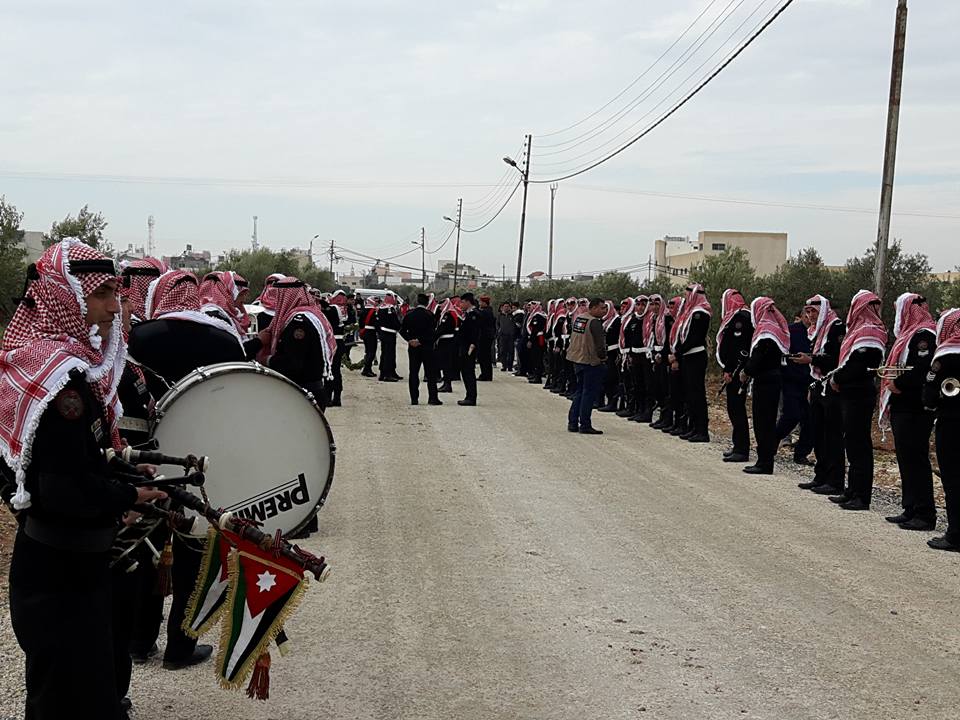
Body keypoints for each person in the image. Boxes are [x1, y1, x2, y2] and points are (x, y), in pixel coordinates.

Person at [1, 239, 166, 720]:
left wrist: (119, 471)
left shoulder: (64, 369)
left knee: (84, 691)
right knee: (67, 699)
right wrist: (129, 494)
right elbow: (63, 489)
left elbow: (72, 463)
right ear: (66, 298)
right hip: (60, 574)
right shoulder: (56, 383)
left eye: (116, 292)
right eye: (102, 293)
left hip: (67, 565)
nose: (115, 306)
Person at [879, 293, 937, 530]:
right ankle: (910, 507)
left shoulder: (925, 335)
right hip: (902, 405)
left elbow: (922, 369)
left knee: (916, 458)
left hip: (916, 406)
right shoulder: (908, 335)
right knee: (905, 457)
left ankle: (925, 513)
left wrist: (898, 383)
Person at [828, 290, 887, 511]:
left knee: (859, 443)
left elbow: (857, 367)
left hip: (859, 393)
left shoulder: (870, 332)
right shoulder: (858, 331)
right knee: (851, 442)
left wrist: (837, 378)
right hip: (850, 393)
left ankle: (861, 495)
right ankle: (852, 490)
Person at [795, 294, 847, 494]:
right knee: (818, 433)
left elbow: (837, 359)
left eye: (814, 311)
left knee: (832, 435)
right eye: (807, 311)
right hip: (817, 384)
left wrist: (812, 359)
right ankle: (821, 476)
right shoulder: (816, 330)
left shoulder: (836, 327)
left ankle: (835, 480)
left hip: (832, 386)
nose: (810, 315)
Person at [923, 308, 960, 552]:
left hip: (952, 420)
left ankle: (955, 534)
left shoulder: (946, 354)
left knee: (953, 477)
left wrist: (930, 402)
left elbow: (931, 390)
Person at [740, 297, 789, 475]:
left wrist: (746, 371)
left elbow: (758, 358)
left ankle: (765, 462)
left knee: (763, 422)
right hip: (770, 378)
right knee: (764, 421)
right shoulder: (772, 329)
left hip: (766, 380)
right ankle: (763, 460)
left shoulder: (766, 331)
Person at [670, 284, 712, 442]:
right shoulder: (690, 312)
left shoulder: (700, 313)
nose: (686, 297)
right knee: (690, 395)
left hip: (696, 356)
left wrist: (676, 354)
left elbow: (693, 338)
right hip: (688, 357)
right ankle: (693, 428)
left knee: (697, 394)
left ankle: (702, 430)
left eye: (688, 294)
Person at [715, 289, 753, 463]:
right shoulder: (735, 317)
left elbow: (739, 349)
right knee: (733, 409)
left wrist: (729, 370)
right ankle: (737, 445)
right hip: (733, 371)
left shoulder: (741, 318)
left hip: (737, 372)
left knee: (737, 410)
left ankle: (742, 449)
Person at [775, 311, 815, 464]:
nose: (810, 317)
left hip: (813, 382)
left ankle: (801, 453)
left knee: (810, 420)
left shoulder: (821, 332)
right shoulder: (791, 330)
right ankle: (772, 442)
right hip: (792, 380)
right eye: (807, 313)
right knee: (791, 415)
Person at [566, 298, 609, 435]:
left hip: (577, 359)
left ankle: (573, 422)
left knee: (579, 391)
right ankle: (585, 424)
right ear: (594, 308)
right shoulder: (594, 322)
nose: (604, 311)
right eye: (602, 308)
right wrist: (603, 358)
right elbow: (600, 345)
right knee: (588, 393)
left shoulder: (580, 318)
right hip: (590, 361)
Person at [401, 293, 442, 406]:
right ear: (427, 303)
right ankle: (433, 398)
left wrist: (410, 340)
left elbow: (402, 330)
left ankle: (414, 399)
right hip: (427, 347)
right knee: (430, 373)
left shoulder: (409, 314)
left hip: (413, 347)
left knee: (414, 372)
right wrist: (421, 340)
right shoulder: (430, 315)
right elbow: (433, 333)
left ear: (417, 302)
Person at [598, 300, 622, 412]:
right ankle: (605, 400)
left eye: (606, 309)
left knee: (612, 378)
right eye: (603, 309)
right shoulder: (603, 321)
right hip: (604, 353)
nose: (604, 311)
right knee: (604, 378)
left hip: (613, 353)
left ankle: (613, 402)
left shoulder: (617, 321)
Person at [457, 293, 481, 406]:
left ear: (468, 302)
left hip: (469, 347)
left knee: (468, 372)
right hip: (464, 346)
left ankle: (471, 398)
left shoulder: (474, 315)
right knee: (465, 371)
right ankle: (468, 396)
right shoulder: (468, 314)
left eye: (462, 302)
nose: (460, 305)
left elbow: (475, 332)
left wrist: (472, 344)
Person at [435, 298, 461, 392]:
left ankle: (447, 385)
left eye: (441, 305)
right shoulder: (445, 314)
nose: (440, 307)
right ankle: (446, 383)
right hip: (445, 341)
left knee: (446, 364)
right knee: (444, 363)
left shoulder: (448, 315)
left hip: (447, 341)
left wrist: (432, 337)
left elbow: (442, 329)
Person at [377, 292, 403, 382]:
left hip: (383, 333)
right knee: (389, 354)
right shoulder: (390, 308)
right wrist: (400, 327)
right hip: (389, 333)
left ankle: (384, 373)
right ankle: (388, 374)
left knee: (384, 353)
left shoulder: (381, 307)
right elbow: (394, 321)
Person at [525, 301, 548, 384]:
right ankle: (535, 375)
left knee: (537, 359)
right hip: (537, 339)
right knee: (535, 359)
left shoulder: (538, 316)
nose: (529, 308)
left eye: (531, 306)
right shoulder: (536, 315)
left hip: (537, 340)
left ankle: (538, 377)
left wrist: (530, 341)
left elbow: (535, 330)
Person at [359, 296, 380, 377]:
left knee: (368, 351)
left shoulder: (364, 310)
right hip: (371, 332)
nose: (377, 303)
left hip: (365, 331)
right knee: (372, 352)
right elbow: (376, 323)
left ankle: (367, 369)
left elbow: (360, 322)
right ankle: (366, 369)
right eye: (376, 301)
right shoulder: (373, 311)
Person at [477, 295, 496, 381]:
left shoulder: (486, 312)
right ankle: (485, 374)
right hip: (486, 336)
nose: (479, 303)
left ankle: (486, 375)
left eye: (481, 302)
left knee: (484, 356)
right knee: (485, 356)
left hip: (485, 336)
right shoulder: (487, 311)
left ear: (485, 303)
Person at [496, 302, 516, 371]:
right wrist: (499, 331)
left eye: (508, 306)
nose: (506, 308)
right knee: (503, 351)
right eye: (505, 306)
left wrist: (513, 332)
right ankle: (504, 365)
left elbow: (514, 325)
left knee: (511, 351)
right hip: (502, 336)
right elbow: (497, 324)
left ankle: (510, 366)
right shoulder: (500, 315)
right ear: (503, 307)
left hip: (510, 336)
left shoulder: (512, 315)